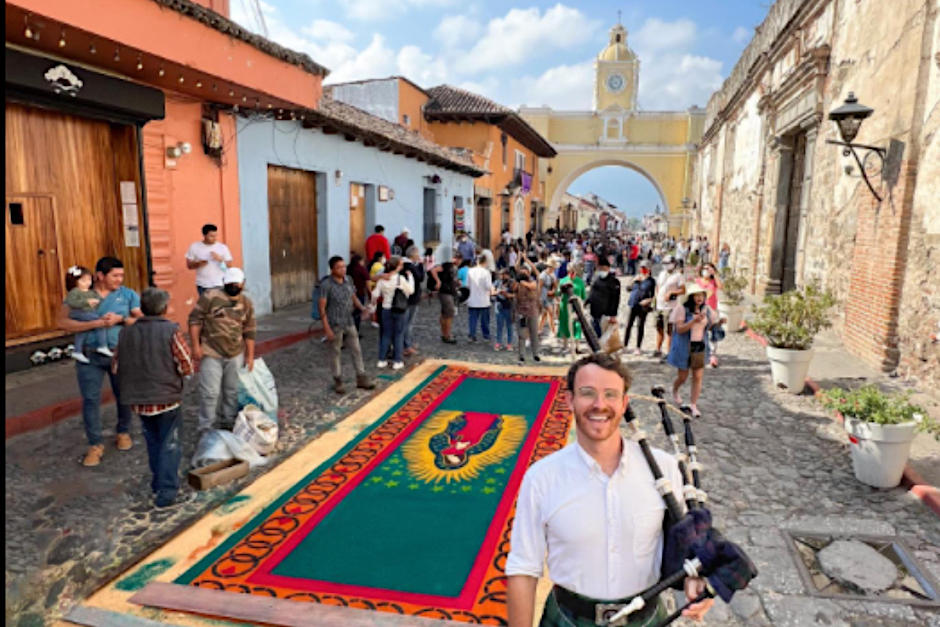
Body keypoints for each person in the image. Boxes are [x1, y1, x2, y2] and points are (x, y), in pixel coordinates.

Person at [506, 353, 712, 626]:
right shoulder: (541, 478)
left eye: (611, 394)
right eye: (587, 393)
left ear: (624, 403)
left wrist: (696, 577)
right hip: (568, 618)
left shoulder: (665, 468)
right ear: (570, 400)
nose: (599, 404)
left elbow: (687, 542)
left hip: (647, 617)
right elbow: (523, 568)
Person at [113, 287, 194, 507]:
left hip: (138, 398)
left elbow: (116, 365)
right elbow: (185, 362)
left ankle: (158, 483)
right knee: (170, 442)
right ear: (164, 308)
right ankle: (167, 491)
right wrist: (183, 376)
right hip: (166, 396)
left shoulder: (126, 332)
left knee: (153, 441)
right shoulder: (171, 331)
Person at [58, 257, 143, 467]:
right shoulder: (80, 294)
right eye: (115, 275)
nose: (119, 279)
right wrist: (95, 323)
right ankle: (95, 443)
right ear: (100, 276)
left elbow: (141, 320)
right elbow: (62, 322)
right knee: (90, 399)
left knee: (123, 395)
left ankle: (123, 431)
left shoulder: (127, 294)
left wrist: (121, 320)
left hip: (119, 353)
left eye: (121, 275)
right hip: (89, 356)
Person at [188, 267, 256, 434]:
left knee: (231, 391)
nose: (234, 286)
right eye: (230, 283)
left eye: (237, 283)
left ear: (243, 283)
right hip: (211, 352)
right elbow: (194, 320)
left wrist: (250, 356)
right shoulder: (210, 297)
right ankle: (206, 427)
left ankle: (228, 422)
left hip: (235, 353)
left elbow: (250, 329)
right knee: (209, 393)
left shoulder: (246, 302)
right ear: (224, 283)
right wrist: (195, 346)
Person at [320, 256, 375, 394]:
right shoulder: (326, 285)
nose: (342, 269)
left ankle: (361, 377)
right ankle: (337, 379)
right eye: (339, 267)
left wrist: (362, 308)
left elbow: (353, 296)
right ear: (332, 269)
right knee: (335, 352)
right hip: (335, 323)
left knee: (356, 349)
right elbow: (322, 307)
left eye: (344, 266)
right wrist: (326, 327)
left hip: (349, 321)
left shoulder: (348, 280)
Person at [666, 283, 722, 418]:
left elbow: (709, 327)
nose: (699, 298)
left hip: (700, 346)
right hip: (684, 347)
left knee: (697, 377)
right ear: (691, 297)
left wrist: (720, 323)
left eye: (701, 295)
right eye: (696, 295)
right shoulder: (682, 309)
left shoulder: (707, 310)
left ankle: (693, 404)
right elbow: (679, 329)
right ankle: (675, 390)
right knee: (683, 377)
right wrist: (693, 321)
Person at [63, 265, 113, 363]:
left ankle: (78, 350)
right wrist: (86, 302)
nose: (87, 283)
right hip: (78, 312)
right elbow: (71, 302)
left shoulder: (90, 292)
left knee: (83, 331)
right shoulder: (75, 292)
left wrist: (98, 301)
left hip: (87, 313)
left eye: (89, 280)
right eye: (83, 281)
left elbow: (98, 298)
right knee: (100, 323)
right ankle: (102, 345)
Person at [371, 256, 414, 370]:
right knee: (398, 335)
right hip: (399, 309)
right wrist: (410, 278)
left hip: (386, 308)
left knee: (386, 334)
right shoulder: (400, 279)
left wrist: (372, 306)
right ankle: (397, 360)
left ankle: (382, 359)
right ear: (398, 266)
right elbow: (410, 291)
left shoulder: (382, 279)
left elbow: (375, 294)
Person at [185, 224, 233, 296]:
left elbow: (229, 265)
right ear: (204, 235)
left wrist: (220, 260)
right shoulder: (195, 247)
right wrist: (198, 263)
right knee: (205, 306)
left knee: (218, 306)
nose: (214, 238)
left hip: (219, 283)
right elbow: (189, 265)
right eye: (211, 236)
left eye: (215, 235)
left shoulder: (222, 247)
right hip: (202, 284)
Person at [654, 256, 684, 359]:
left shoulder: (678, 276)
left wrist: (672, 292)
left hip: (670, 307)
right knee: (659, 328)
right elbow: (658, 286)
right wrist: (657, 297)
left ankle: (669, 352)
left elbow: (683, 290)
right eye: (665, 263)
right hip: (659, 306)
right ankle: (658, 349)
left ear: (673, 263)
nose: (666, 265)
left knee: (669, 330)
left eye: (668, 263)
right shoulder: (662, 274)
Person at [624, 259, 657, 355]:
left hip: (643, 306)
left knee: (640, 326)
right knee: (628, 325)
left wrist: (649, 300)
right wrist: (633, 281)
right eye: (641, 268)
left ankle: (638, 347)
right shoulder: (637, 278)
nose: (643, 270)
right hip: (633, 303)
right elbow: (628, 288)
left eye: (645, 268)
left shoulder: (651, 281)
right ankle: (625, 345)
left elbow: (654, 295)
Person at [430, 252, 461, 344]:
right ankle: (447, 335)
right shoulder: (447, 265)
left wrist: (456, 282)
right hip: (445, 291)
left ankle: (445, 334)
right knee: (448, 314)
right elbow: (433, 270)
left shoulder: (453, 267)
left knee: (445, 314)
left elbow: (451, 278)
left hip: (449, 290)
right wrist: (438, 281)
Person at [696, 263, 723, 368]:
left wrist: (714, 274)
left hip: (712, 310)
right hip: (700, 310)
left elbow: (721, 287)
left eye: (708, 268)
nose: (706, 270)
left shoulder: (713, 281)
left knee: (713, 333)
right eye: (704, 268)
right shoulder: (698, 281)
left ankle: (712, 355)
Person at [513, 259, 541, 362]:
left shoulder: (533, 281)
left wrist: (523, 282)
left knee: (534, 333)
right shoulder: (517, 282)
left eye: (525, 271)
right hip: (521, 312)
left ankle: (536, 354)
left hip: (532, 311)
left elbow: (532, 286)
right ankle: (521, 355)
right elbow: (513, 288)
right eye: (522, 271)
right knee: (522, 334)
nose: (523, 273)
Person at [586, 258, 621, 339]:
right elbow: (592, 293)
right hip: (595, 310)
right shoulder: (596, 279)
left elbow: (616, 299)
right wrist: (587, 301)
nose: (601, 271)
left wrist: (613, 315)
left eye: (603, 269)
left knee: (607, 334)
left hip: (607, 312)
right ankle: (599, 345)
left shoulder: (614, 282)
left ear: (608, 268)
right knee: (596, 330)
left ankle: (605, 346)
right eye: (600, 269)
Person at [557, 263, 586, 355]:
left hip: (577, 306)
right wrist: (561, 289)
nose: (571, 273)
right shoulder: (563, 280)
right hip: (565, 306)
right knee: (565, 325)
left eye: (573, 271)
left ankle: (577, 346)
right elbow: (558, 293)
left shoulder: (580, 281)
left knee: (577, 326)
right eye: (570, 271)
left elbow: (583, 295)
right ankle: (565, 345)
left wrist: (583, 306)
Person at [402, 246, 425, 356]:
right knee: (408, 323)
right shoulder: (410, 266)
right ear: (413, 256)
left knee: (406, 322)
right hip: (411, 298)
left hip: (408, 298)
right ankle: (407, 345)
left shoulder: (404, 265)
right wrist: (421, 265)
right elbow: (420, 278)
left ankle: (407, 343)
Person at [466, 254, 493, 343]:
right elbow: (488, 286)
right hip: (483, 300)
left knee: (472, 319)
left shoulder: (470, 271)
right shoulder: (486, 272)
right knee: (485, 320)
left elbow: (467, 285)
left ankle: (471, 335)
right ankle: (486, 336)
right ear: (485, 262)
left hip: (472, 299)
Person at [347, 254, 371, 333]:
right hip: (359, 293)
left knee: (348, 313)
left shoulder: (348, 268)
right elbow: (368, 283)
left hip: (347, 294)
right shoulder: (362, 269)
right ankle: (355, 332)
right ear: (360, 261)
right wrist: (370, 294)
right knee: (357, 314)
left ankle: (346, 331)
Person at [493, 269, 515, 351]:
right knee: (499, 326)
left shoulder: (512, 283)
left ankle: (509, 344)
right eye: (500, 275)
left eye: (503, 275)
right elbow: (491, 291)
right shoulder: (497, 282)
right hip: (499, 306)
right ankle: (498, 343)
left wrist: (508, 294)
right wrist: (497, 291)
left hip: (509, 307)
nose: (501, 277)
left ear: (508, 275)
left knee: (509, 326)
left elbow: (515, 295)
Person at [538, 260, 558, 337]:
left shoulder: (552, 275)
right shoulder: (543, 275)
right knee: (551, 312)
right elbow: (539, 287)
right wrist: (539, 298)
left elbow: (555, 285)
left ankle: (539, 329)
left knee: (544, 315)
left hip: (550, 296)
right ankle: (553, 331)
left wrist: (554, 291)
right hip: (544, 296)